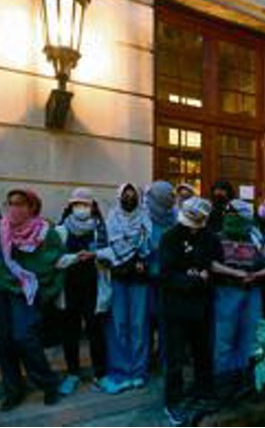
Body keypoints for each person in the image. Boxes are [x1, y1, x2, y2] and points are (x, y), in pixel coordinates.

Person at [0, 189, 65, 411]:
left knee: (24, 337)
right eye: (10, 203)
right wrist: (17, 284)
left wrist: (46, 291)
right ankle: (13, 391)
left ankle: (48, 383)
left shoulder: (46, 231)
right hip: (3, 289)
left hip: (30, 293)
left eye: (20, 203)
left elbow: (56, 262)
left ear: (32, 207)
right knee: (4, 342)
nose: (14, 208)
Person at [160, 197, 221, 426]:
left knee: (202, 352)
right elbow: (167, 274)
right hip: (175, 307)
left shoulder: (210, 237)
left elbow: (214, 264)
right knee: (175, 357)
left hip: (202, 307)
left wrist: (198, 275)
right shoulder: (170, 237)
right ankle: (173, 402)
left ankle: (204, 392)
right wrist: (193, 278)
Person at [211, 199, 265, 397]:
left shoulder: (255, 238)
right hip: (226, 292)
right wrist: (235, 273)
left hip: (251, 292)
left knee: (250, 338)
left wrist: (256, 275)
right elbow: (210, 262)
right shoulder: (217, 237)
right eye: (229, 211)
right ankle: (223, 383)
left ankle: (245, 382)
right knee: (224, 338)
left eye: (236, 212)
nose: (231, 215)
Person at [52, 187, 109, 395]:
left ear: (93, 206)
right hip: (69, 287)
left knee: (96, 331)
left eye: (85, 204)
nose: (81, 208)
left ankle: (100, 374)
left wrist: (95, 254)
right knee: (70, 332)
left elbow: (111, 252)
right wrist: (75, 257)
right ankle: (73, 374)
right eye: (77, 204)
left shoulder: (100, 228)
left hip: (93, 286)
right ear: (70, 206)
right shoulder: (61, 230)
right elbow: (54, 260)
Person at [99, 183, 152, 394]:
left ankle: (138, 372)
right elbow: (109, 246)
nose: (129, 199)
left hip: (139, 278)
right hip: (119, 276)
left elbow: (148, 246)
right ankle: (120, 372)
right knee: (119, 324)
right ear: (119, 196)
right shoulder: (111, 217)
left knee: (138, 325)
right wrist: (126, 261)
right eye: (125, 195)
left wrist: (140, 258)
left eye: (133, 195)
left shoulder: (145, 217)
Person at [144, 181, 177, 368]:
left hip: (167, 281)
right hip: (148, 280)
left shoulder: (175, 219)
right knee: (147, 321)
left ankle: (166, 359)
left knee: (166, 323)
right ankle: (148, 359)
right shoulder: (144, 218)